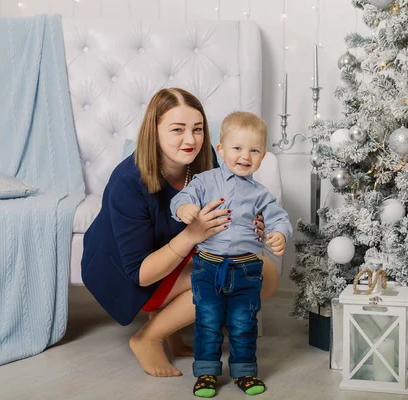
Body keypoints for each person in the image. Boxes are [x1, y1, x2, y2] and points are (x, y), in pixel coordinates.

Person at [81, 88, 281, 378]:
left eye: (197, 129)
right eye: (178, 130)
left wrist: (251, 223)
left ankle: (169, 325)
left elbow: (227, 208)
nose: (191, 140)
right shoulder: (129, 181)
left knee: (262, 273)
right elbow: (141, 273)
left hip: (171, 257)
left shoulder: (204, 159)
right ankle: (148, 338)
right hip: (124, 276)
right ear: (154, 131)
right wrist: (192, 234)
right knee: (221, 278)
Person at [170, 111, 292, 397]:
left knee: (243, 323)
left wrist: (279, 234)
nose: (245, 156)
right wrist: (185, 208)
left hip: (247, 269)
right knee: (208, 321)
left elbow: (279, 218)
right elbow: (182, 197)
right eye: (237, 148)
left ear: (262, 156)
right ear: (221, 149)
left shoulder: (260, 193)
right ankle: (206, 373)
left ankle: (244, 372)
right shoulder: (205, 181)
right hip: (208, 267)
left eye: (254, 150)